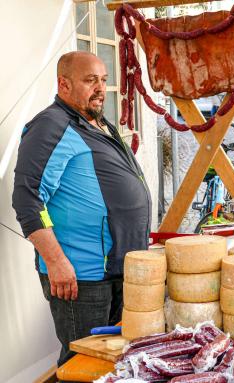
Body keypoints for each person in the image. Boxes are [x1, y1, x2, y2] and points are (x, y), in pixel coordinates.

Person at [12, 51, 151, 366]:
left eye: (103, 79)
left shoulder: (96, 122)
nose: (100, 88)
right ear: (64, 84)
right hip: (82, 277)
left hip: (117, 271)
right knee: (83, 364)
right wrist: (56, 261)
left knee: (113, 362)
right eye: (90, 80)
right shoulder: (51, 125)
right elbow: (27, 197)